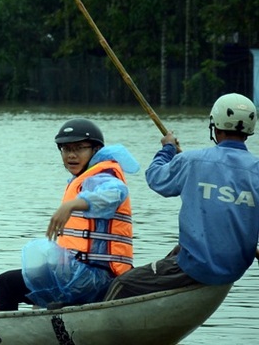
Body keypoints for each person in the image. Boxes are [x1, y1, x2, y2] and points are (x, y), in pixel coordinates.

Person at [105, 93, 259, 299]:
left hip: (198, 267)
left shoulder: (191, 160)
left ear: (215, 125)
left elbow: (155, 178)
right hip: (234, 268)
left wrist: (168, 148)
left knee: (122, 283)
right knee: (177, 250)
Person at [0, 119, 139, 311]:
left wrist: (72, 205)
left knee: (6, 283)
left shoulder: (104, 176)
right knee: (39, 283)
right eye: (66, 149)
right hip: (84, 275)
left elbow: (114, 194)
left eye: (79, 148)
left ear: (95, 149)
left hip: (95, 279)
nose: (71, 155)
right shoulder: (84, 177)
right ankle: (38, 331)